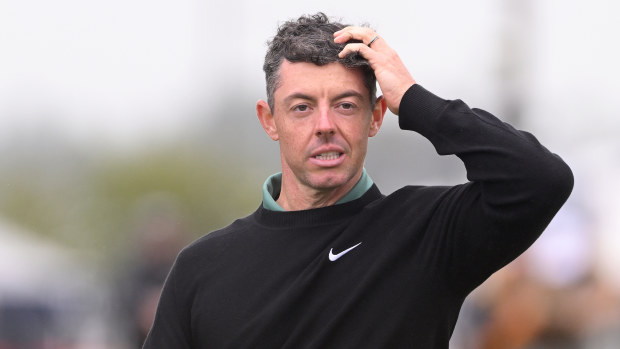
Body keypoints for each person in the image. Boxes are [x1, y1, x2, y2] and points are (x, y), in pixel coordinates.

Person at [142, 13, 573, 348]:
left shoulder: (425, 234)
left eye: (346, 105)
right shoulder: (201, 269)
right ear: (269, 120)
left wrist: (416, 99)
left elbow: (540, 180)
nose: (325, 124)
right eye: (302, 107)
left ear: (377, 115)